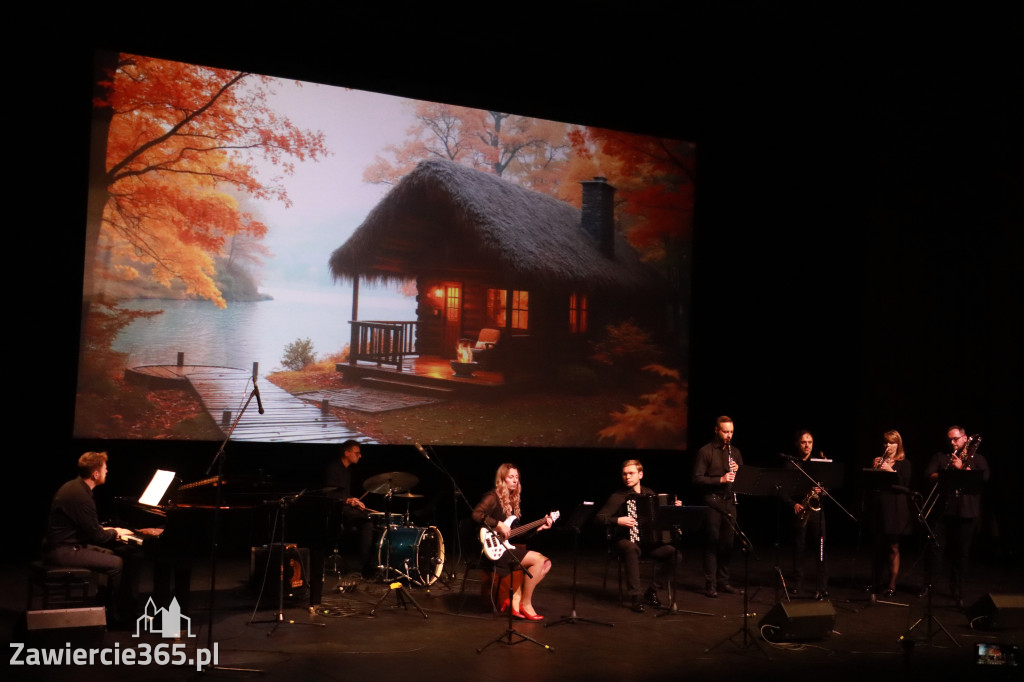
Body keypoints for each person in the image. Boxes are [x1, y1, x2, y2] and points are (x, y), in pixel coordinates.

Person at [43, 451, 138, 621]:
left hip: (64, 546)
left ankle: (105, 606)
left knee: (108, 555)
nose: (107, 471)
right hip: (63, 551)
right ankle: (120, 614)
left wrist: (108, 529)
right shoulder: (81, 496)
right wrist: (115, 531)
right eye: (105, 468)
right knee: (117, 563)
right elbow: (98, 537)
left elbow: (88, 528)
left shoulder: (76, 487)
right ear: (95, 474)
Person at [596, 459, 682, 613]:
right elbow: (599, 518)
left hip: (648, 543)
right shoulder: (618, 497)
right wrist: (618, 520)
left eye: (631, 473)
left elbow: (661, 519)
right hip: (623, 541)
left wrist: (674, 510)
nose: (627, 477)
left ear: (640, 474)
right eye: (624, 474)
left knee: (675, 554)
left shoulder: (650, 494)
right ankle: (636, 597)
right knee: (631, 548)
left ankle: (652, 591)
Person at [472, 463, 553, 620]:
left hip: (505, 547)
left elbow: (517, 535)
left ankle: (515, 600)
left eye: (517, 477)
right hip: (491, 551)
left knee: (545, 563)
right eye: (511, 477)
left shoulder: (512, 501)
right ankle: (525, 603)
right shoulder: (492, 496)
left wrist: (538, 528)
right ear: (502, 480)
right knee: (538, 560)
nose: (515, 480)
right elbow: (476, 514)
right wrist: (497, 524)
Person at [921, 425, 990, 607]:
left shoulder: (978, 459)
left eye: (955, 439)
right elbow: (929, 474)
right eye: (950, 439)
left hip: (966, 512)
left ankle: (958, 589)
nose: (952, 442)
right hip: (944, 510)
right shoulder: (942, 457)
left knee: (962, 554)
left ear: (965, 438)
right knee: (936, 549)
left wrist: (962, 469)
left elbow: (983, 479)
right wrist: (948, 472)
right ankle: (930, 586)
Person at [309, 439, 374, 608]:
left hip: (344, 509)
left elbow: (345, 495)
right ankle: (364, 567)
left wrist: (354, 501)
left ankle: (370, 564)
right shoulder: (333, 469)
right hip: (335, 512)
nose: (360, 456)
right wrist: (348, 500)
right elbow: (330, 495)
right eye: (357, 452)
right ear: (347, 453)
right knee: (367, 523)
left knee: (370, 518)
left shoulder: (347, 472)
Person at [692, 415, 743, 598]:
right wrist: (720, 479)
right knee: (712, 544)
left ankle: (723, 581)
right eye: (725, 431)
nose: (729, 435)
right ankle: (710, 584)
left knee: (727, 545)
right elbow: (697, 478)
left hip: (730, 502)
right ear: (716, 430)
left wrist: (738, 471)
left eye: (731, 432)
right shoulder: (705, 451)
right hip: (712, 501)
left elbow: (743, 480)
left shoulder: (735, 452)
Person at [779, 430, 828, 599]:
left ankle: (821, 586)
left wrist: (822, 490)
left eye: (810, 442)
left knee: (819, 550)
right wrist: (793, 504)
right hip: (800, 509)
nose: (807, 445)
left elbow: (827, 487)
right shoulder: (791, 464)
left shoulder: (818, 463)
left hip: (816, 511)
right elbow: (782, 491)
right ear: (797, 444)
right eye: (803, 442)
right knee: (799, 548)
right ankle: (797, 583)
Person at [869, 429, 914, 597]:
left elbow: (905, 485)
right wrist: (874, 470)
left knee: (893, 547)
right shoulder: (879, 460)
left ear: (898, 444)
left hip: (896, 508)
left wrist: (890, 471)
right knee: (877, 546)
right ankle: (876, 581)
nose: (888, 446)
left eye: (891, 443)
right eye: (886, 442)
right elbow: (872, 485)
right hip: (880, 507)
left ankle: (892, 583)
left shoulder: (904, 463)